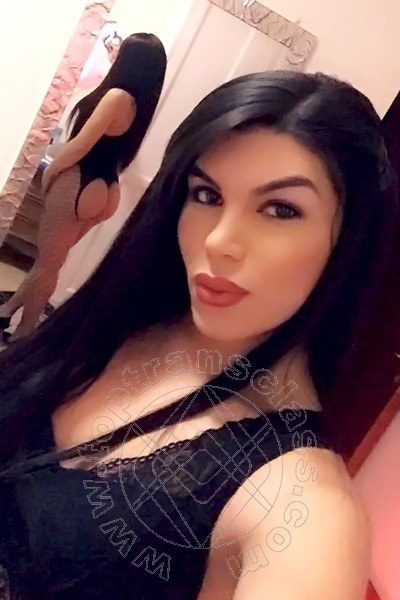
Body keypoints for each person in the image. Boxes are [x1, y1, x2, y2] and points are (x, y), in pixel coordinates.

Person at [0, 71, 398, 598]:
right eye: (206, 194)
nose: (218, 240)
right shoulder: (119, 321)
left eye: (281, 209)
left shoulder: (305, 511)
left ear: (348, 241)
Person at [0, 32, 167, 342]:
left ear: (129, 61)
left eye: (120, 50)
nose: (115, 53)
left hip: (79, 181)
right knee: (50, 262)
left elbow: (79, 145)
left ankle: (25, 335)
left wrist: (51, 173)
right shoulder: (139, 104)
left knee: (48, 265)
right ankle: (8, 309)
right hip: (105, 189)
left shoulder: (116, 96)